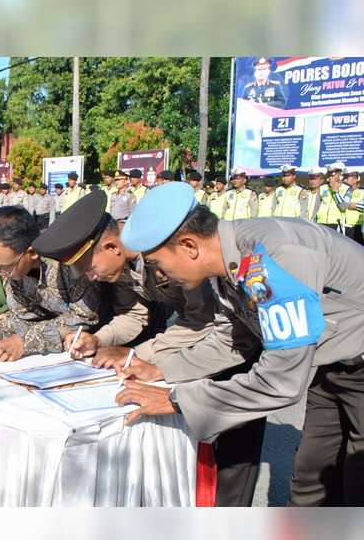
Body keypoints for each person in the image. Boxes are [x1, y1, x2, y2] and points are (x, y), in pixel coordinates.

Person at [116, 182, 364, 506]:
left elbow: (280, 380)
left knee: (356, 481)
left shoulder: (274, 257)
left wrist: (179, 401)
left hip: (356, 361)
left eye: (159, 265)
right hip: (329, 361)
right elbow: (234, 339)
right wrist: (160, 368)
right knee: (311, 478)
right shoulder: (227, 265)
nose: (163, 276)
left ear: (189, 246)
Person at [32, 190, 264, 506]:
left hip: (233, 345)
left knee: (233, 456)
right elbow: (136, 314)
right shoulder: (122, 264)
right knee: (195, 447)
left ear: (112, 246)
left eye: (89, 268)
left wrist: (138, 356)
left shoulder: (162, 249)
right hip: (200, 346)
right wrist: (100, 339)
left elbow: (202, 322)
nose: (91, 277)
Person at [0, 206, 147, 361]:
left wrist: (27, 340)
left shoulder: (70, 259)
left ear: (31, 253)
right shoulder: (15, 275)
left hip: (128, 343)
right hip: (98, 346)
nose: (2, 274)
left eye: (7, 267)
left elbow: (85, 317)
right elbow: (22, 317)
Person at [316, 161, 355, 237]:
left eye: (332, 174)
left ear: (340, 175)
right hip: (321, 223)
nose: (330, 177)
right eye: (329, 174)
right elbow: (317, 206)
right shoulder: (322, 187)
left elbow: (343, 207)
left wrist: (335, 191)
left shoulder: (348, 189)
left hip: (337, 224)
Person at [343, 170, 364, 245]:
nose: (344, 179)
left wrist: (355, 205)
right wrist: (350, 205)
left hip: (357, 227)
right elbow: (343, 205)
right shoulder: (343, 191)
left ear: (355, 180)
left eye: (347, 177)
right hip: (343, 226)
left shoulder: (362, 191)